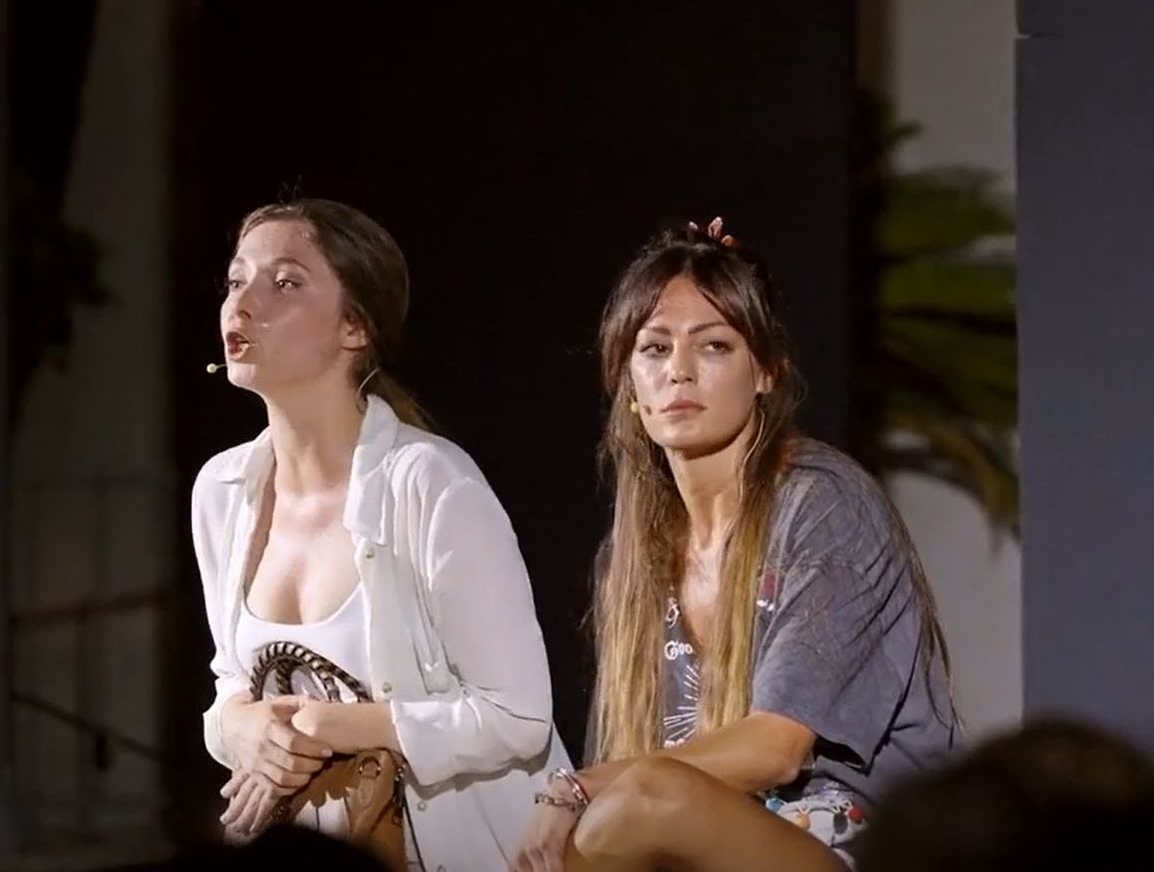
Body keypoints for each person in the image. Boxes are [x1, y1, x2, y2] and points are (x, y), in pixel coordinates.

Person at [510, 217, 958, 871]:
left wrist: (576, 787)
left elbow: (776, 748)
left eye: (714, 346)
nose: (679, 371)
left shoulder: (822, 502)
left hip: (860, 846)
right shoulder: (632, 556)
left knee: (641, 798)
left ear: (767, 370)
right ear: (628, 386)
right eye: (654, 349)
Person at [191, 197, 572, 870]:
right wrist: (236, 726)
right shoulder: (221, 490)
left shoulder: (429, 482)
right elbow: (232, 679)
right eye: (235, 280)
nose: (241, 304)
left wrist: (341, 725)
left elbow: (518, 717)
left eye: (285, 283)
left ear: (354, 326)